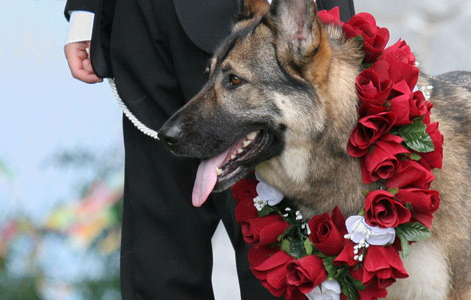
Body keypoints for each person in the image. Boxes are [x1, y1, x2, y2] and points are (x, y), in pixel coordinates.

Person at [63, 0, 355, 299]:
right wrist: (86, 10)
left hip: (287, 27)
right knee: (160, 262)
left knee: (287, 261)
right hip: (151, 27)